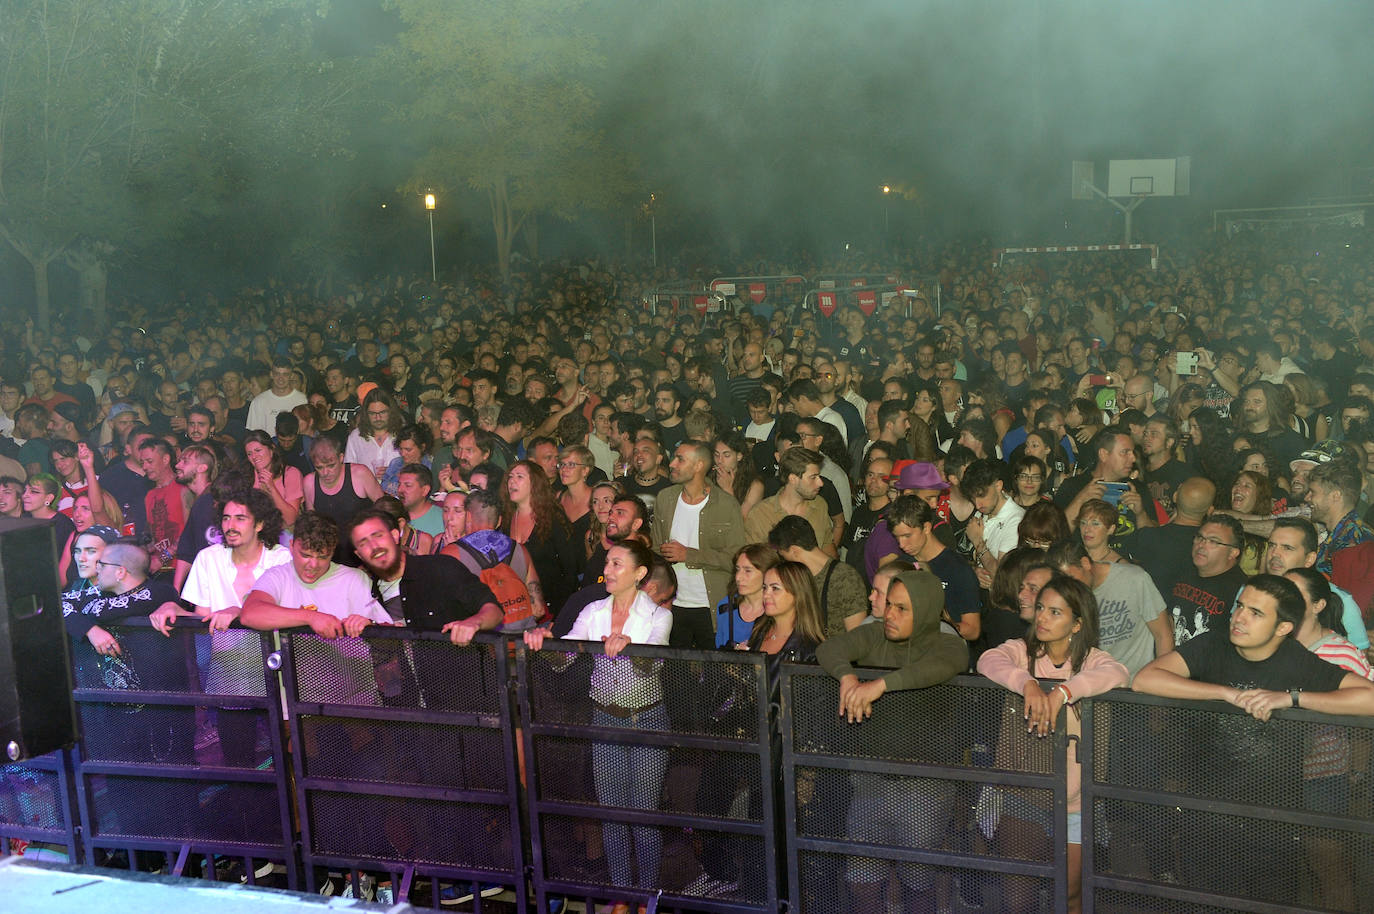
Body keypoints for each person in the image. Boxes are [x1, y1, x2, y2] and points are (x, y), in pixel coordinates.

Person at [523, 541, 673, 898]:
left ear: (639, 574)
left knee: (643, 813)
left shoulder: (659, 616)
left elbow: (654, 663)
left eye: (618, 563)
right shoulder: (593, 611)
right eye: (608, 562)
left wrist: (632, 649)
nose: (608, 569)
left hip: (646, 721)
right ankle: (622, 895)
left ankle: (648, 896)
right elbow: (567, 657)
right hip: (604, 719)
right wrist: (546, 644)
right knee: (611, 813)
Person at [815, 569, 970, 914]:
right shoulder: (875, 633)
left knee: (918, 884)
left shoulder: (947, 643)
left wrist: (879, 685)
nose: (890, 614)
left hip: (925, 788)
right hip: (870, 780)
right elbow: (832, 647)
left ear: (926, 611)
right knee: (861, 881)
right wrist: (847, 676)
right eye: (890, 605)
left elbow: (945, 664)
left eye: (902, 608)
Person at [977, 574, 1130, 914]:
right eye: (1042, 608)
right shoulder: (1022, 652)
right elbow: (987, 660)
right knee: (1018, 897)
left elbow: (1119, 673)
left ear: (1078, 624)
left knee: (1072, 895)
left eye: (1055, 612)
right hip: (1023, 794)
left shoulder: (1093, 660)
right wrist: (1028, 683)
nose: (1043, 617)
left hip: (1076, 802)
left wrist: (1062, 692)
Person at [1134, 573, 1374, 718]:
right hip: (1206, 787)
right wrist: (1227, 694)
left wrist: (1292, 699)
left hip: (1273, 793)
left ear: (1283, 628)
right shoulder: (1213, 643)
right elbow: (1144, 679)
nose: (1239, 617)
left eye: (1256, 613)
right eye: (1240, 606)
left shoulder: (1296, 658)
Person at [348, 508, 502, 645]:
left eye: (378, 536)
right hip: (411, 677)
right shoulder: (369, 594)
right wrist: (370, 628)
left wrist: (473, 623)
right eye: (363, 543)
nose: (374, 547)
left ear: (395, 536)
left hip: (465, 675)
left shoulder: (439, 568)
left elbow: (494, 610)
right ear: (359, 555)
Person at [652, 441, 746, 649]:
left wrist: (690, 555)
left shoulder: (726, 504)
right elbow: (655, 548)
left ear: (699, 466)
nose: (673, 464)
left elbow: (737, 559)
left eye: (680, 459)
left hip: (711, 606)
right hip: (672, 604)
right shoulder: (665, 499)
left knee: (714, 672)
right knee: (675, 674)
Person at [1047, 538, 1173, 680]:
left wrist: (1162, 681)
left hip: (1134, 686)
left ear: (1085, 563)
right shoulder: (1062, 594)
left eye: (1071, 579)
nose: (1068, 587)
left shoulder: (1135, 578)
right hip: (1090, 685)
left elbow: (1163, 634)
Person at [502, 460, 581, 618]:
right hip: (514, 609)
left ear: (534, 484)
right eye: (510, 477)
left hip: (550, 608)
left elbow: (570, 570)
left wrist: (559, 615)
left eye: (519, 476)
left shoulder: (553, 519)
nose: (512, 481)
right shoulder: (506, 519)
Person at [768, 515, 869, 636]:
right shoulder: (797, 578)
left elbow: (858, 637)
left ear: (794, 551)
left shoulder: (845, 578)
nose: (783, 562)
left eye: (783, 556)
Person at [1163, 515, 1250, 646]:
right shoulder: (1182, 570)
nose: (1202, 545)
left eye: (1213, 541)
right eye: (1200, 537)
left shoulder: (1242, 591)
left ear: (1233, 553)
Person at [744, 447, 834, 556]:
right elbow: (754, 562)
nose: (821, 483)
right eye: (813, 477)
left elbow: (827, 549)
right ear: (793, 479)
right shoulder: (760, 515)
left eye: (819, 476)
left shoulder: (820, 505)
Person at [715, 544, 779, 649]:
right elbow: (718, 653)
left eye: (748, 570)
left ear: (768, 573)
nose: (738, 577)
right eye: (737, 569)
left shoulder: (778, 609)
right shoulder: (726, 606)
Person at [243, 429, 303, 529]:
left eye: (258, 450)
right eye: (249, 454)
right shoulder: (246, 476)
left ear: (271, 450)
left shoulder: (290, 473)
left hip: (284, 534)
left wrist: (271, 488)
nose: (254, 456)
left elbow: (290, 520)